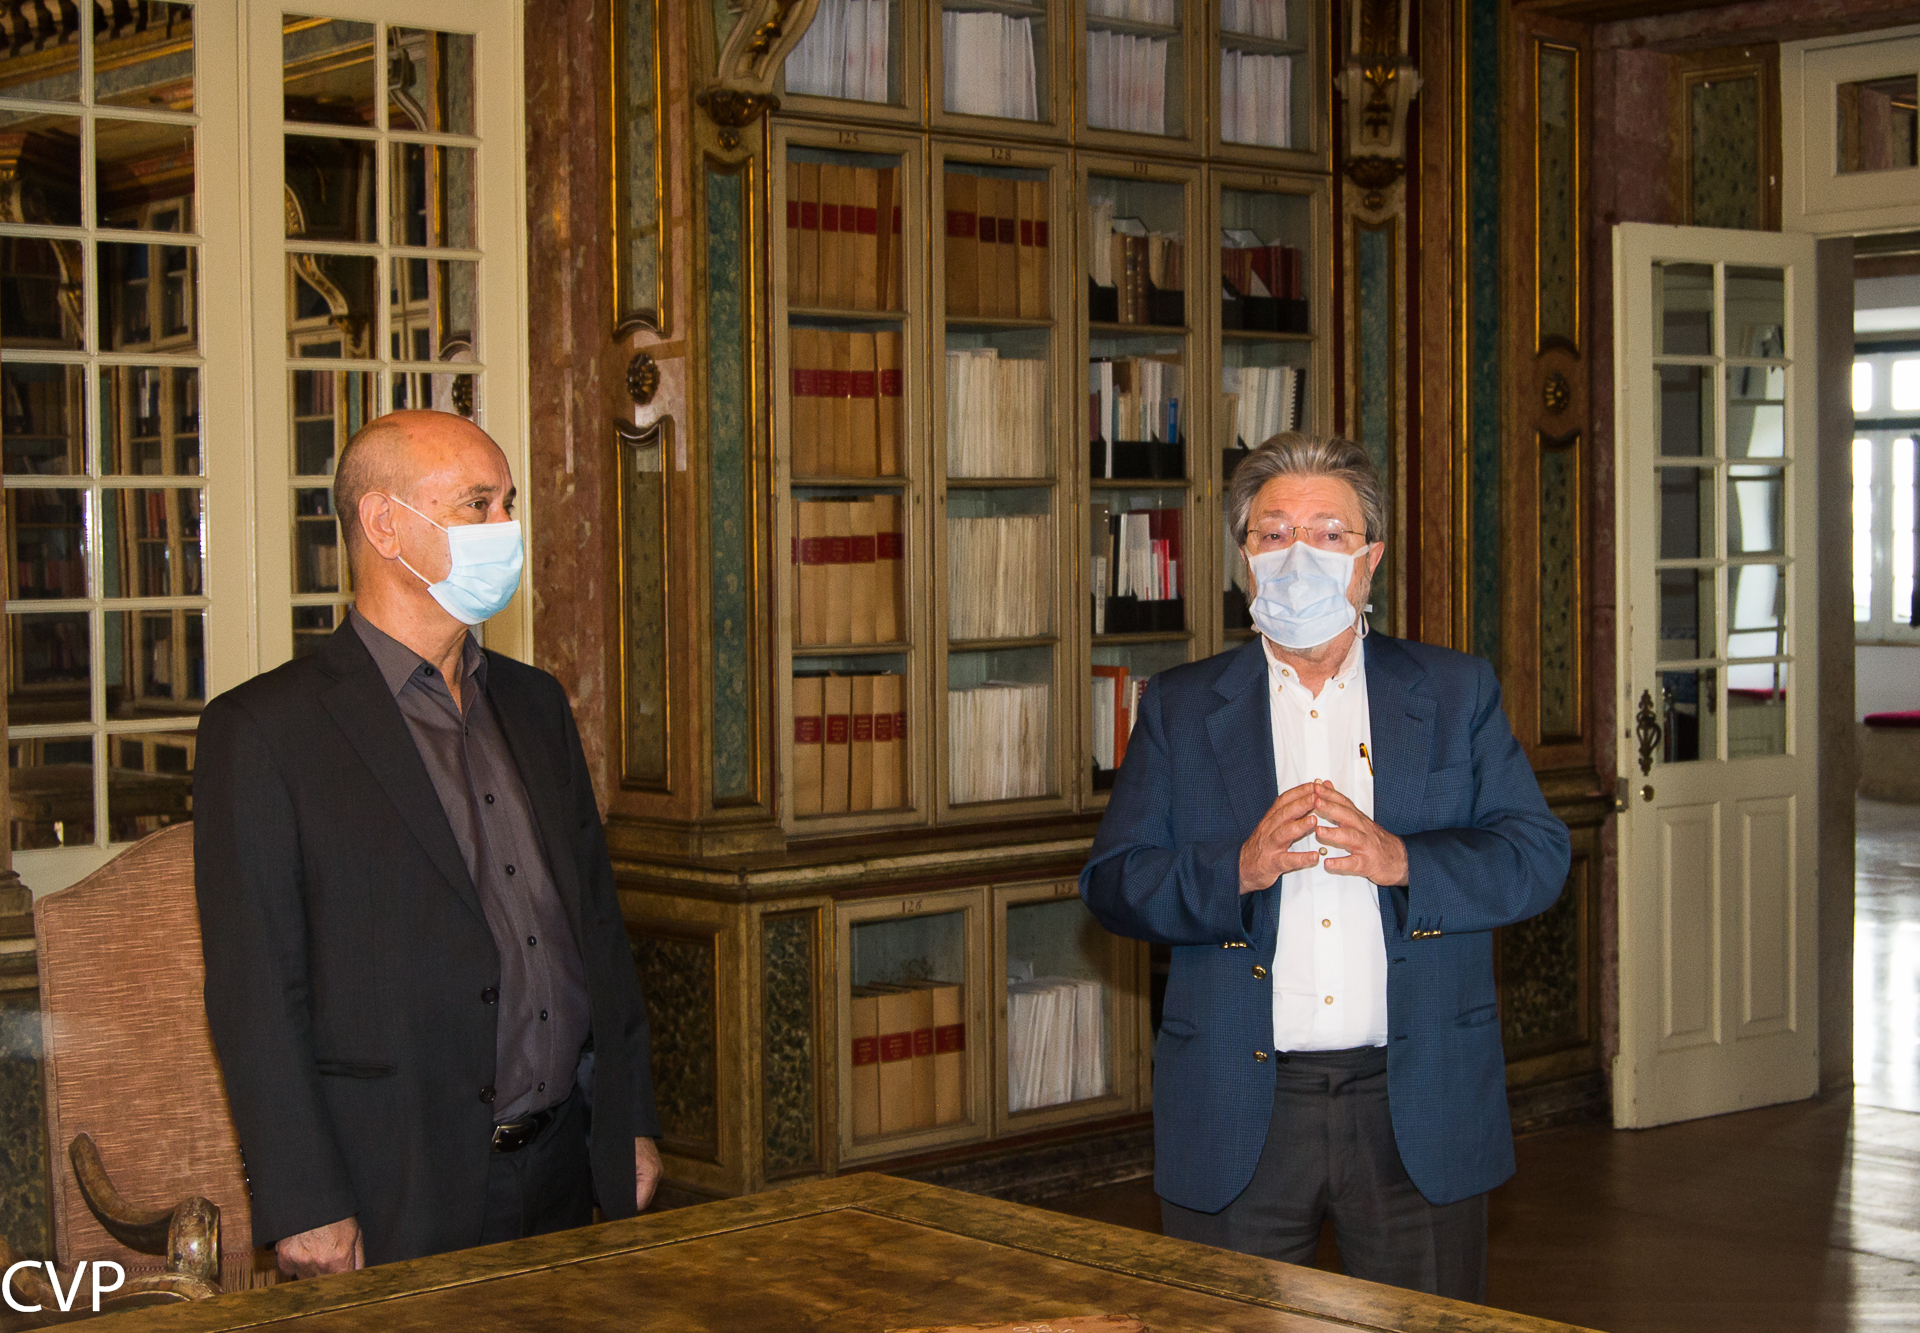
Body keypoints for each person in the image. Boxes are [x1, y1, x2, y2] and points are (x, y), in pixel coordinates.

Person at [1079, 433, 1569, 1301]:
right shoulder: (1181, 708)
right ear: (1244, 559)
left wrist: (1404, 860)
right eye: (1274, 534)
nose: (1298, 555)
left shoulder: (1454, 692)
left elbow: (1537, 856)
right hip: (1241, 1103)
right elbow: (1113, 882)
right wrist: (1235, 868)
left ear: (1369, 559)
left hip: (1417, 1101)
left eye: (1328, 533)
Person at [195, 409, 661, 1276]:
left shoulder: (536, 704)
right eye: (478, 504)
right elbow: (256, 992)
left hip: (563, 1165)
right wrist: (305, 1199)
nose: (505, 528)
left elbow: (597, 930)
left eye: (509, 503)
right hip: (396, 1185)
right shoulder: (263, 731)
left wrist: (627, 1119)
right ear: (384, 524)